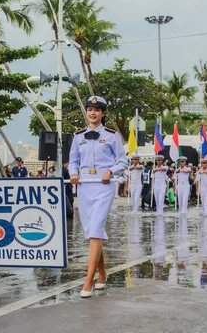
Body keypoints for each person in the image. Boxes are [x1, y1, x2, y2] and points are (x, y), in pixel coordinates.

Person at [69, 96, 126, 298]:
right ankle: (102, 273)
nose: (92, 113)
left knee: (95, 229)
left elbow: (122, 161)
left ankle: (88, 281)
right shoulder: (78, 136)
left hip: (104, 185)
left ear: (103, 113)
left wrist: (110, 171)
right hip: (85, 185)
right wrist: (73, 174)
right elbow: (73, 161)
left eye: (97, 110)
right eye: (90, 109)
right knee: (93, 231)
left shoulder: (112, 136)